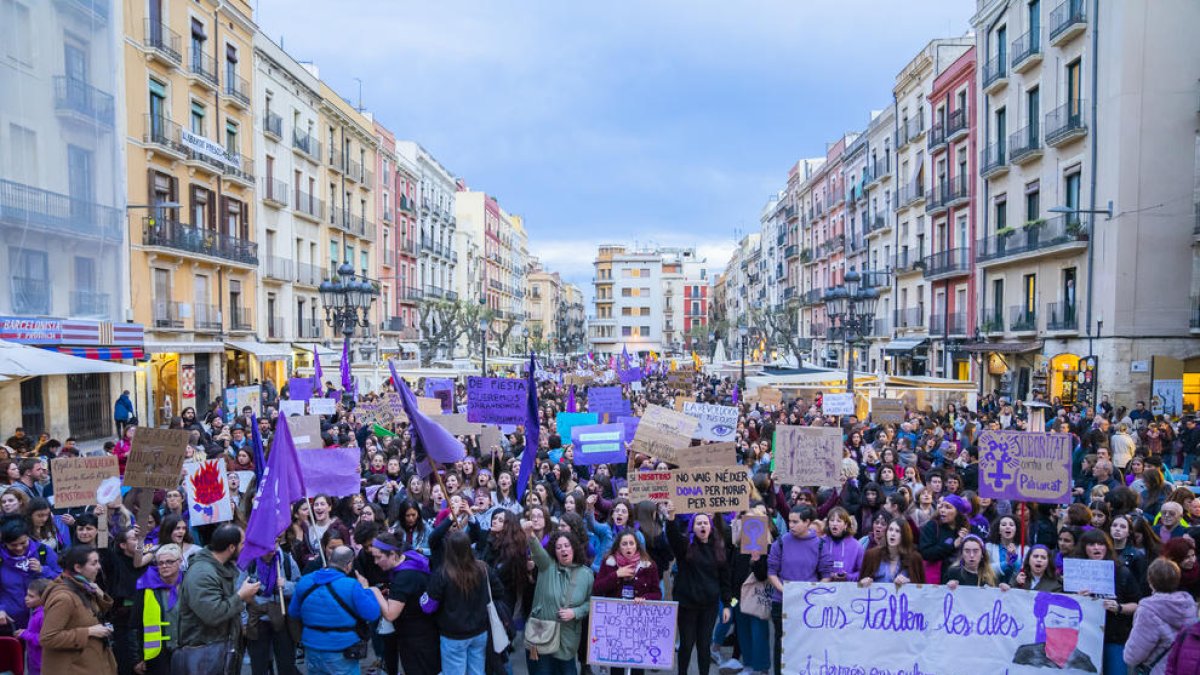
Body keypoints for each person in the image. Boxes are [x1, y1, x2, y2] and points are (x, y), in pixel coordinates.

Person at [175, 523, 260, 673]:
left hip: (220, 651)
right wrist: (240, 595)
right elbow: (212, 614)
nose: (245, 547)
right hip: (205, 656)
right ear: (231, 548)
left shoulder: (221, 567)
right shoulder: (202, 573)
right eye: (242, 544)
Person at [420, 530, 505, 675]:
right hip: (480, 632)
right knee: (477, 672)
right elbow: (499, 592)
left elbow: (428, 607)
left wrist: (423, 597)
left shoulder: (443, 574)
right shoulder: (483, 569)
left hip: (453, 636)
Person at [290, 545, 380, 675]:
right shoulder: (352, 586)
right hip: (342, 650)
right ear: (349, 564)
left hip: (312, 648)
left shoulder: (305, 581)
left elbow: (294, 612)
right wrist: (366, 589)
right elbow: (372, 614)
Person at [365, 533, 440, 675]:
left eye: (378, 557)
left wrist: (374, 591)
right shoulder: (411, 557)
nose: (375, 562)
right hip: (427, 630)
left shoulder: (403, 578)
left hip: (415, 639)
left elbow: (390, 614)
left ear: (393, 554)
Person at [667, 508, 731, 675]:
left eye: (705, 523)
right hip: (687, 605)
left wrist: (727, 605)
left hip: (709, 606)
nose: (702, 526)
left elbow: (725, 580)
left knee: (704, 646)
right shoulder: (685, 547)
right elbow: (673, 537)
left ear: (710, 527)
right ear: (693, 528)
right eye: (698, 523)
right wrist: (671, 517)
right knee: (687, 645)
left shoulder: (719, 549)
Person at [39, 544, 117, 675]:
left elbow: (89, 615)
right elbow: (47, 638)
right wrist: (88, 632)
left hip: (89, 664)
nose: (99, 567)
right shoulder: (64, 598)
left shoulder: (83, 586)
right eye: (94, 563)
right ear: (78, 567)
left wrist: (99, 595)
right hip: (73, 668)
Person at [526, 528, 594, 675]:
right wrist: (530, 536)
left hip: (567, 637)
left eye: (567, 545)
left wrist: (575, 612)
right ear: (554, 552)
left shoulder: (587, 574)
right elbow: (537, 551)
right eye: (558, 547)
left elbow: (590, 603)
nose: (563, 549)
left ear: (574, 548)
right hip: (541, 635)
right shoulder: (547, 565)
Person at [1124, 559, 1198, 675]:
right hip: (1181, 668)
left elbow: (1134, 655)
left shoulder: (1148, 610)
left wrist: (1127, 655)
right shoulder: (1188, 605)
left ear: (1150, 581)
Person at [0, 514, 60, 630]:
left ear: (29, 537)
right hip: (9, 622)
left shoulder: (43, 552)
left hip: (44, 619)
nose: (19, 548)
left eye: (23, 543)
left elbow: (62, 581)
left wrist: (43, 570)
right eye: (13, 545)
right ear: (5, 543)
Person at [1012, 593, 1098, 671]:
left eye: (1073, 623)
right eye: (1057, 622)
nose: (1066, 630)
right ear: (1042, 624)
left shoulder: (1084, 663)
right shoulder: (1026, 655)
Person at [132, 544, 184, 675]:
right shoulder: (145, 586)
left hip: (186, 650)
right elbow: (135, 624)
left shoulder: (189, 583)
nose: (164, 566)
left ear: (180, 562)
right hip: (157, 655)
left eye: (169, 562)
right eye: (160, 563)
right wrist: (137, 658)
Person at [15, 577, 49, 675]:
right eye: (27, 594)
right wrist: (25, 632)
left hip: (41, 666)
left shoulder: (43, 615)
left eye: (31, 596)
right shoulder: (36, 611)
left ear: (43, 598)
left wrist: (25, 634)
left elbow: (45, 639)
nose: (26, 598)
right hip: (34, 663)